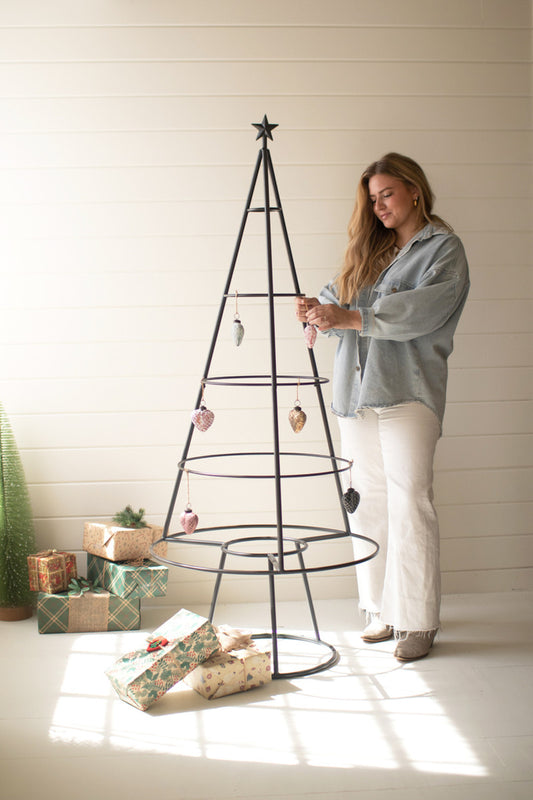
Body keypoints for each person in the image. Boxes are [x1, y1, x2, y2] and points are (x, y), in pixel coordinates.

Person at [295, 152, 469, 661]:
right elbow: (336, 295)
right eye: (373, 199)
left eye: (387, 194)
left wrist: (349, 317)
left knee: (410, 500)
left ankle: (417, 620)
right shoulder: (367, 252)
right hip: (355, 392)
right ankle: (380, 609)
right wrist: (316, 310)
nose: (379, 206)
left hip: (408, 391)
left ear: (415, 190)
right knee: (365, 500)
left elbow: (421, 311)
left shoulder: (443, 249)